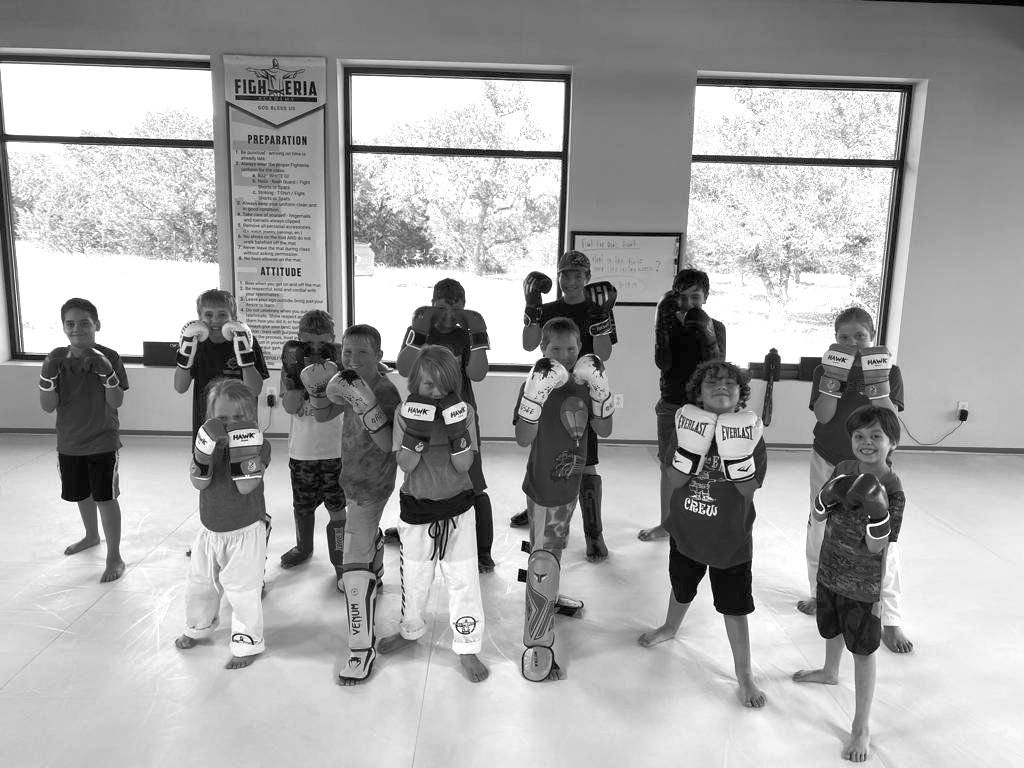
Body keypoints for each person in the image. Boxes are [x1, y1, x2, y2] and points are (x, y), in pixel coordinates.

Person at [638, 360, 767, 708]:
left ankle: (745, 676)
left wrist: (735, 454)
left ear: (741, 394)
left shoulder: (750, 432)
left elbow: (749, 489)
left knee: (734, 608)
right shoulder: (685, 428)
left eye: (730, 383)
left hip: (731, 540)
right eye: (712, 382)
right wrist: (691, 448)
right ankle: (669, 627)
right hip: (687, 532)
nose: (721, 386)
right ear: (697, 392)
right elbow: (676, 480)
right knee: (681, 588)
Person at [793, 405, 905, 762]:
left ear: (893, 445)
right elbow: (818, 514)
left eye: (876, 437)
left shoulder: (893, 487)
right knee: (830, 628)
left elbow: (878, 546)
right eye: (859, 436)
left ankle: (861, 725)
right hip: (831, 570)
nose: (866, 442)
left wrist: (877, 509)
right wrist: (825, 498)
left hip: (864, 584)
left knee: (862, 651)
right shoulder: (842, 469)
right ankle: (828, 671)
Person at [798, 307, 911, 654]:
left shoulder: (890, 370)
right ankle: (821, 593)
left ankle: (890, 618)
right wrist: (834, 377)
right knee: (820, 526)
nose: (853, 343)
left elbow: (890, 424)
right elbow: (824, 414)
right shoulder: (823, 368)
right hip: (830, 460)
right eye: (844, 337)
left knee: (880, 541)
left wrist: (877, 384)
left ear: (872, 337)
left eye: (860, 336)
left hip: (875, 466)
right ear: (835, 340)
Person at [377, 345, 488, 683]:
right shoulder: (403, 413)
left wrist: (456, 435)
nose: (437, 393)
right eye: (428, 385)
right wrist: (417, 433)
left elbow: (464, 464)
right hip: (418, 507)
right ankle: (410, 631)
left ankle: (467, 646)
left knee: (464, 580)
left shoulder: (464, 411)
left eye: (443, 385)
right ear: (415, 386)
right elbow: (405, 464)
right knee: (415, 579)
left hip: (458, 508)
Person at [514, 317, 614, 681]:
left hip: (570, 484)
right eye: (555, 349)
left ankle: (549, 599)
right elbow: (523, 439)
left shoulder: (586, 383)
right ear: (543, 350)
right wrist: (533, 399)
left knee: (553, 549)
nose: (565, 356)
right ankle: (537, 642)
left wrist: (602, 393)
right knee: (543, 554)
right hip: (544, 486)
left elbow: (604, 429)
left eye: (571, 349)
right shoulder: (535, 383)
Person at [513, 250, 617, 563]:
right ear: (559, 277)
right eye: (565, 274)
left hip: (583, 388)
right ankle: (538, 508)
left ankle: (593, 533)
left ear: (587, 278)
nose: (571, 280)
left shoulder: (598, 306)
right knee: (543, 449)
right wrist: (531, 307)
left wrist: (600, 318)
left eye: (577, 275)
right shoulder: (549, 308)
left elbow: (605, 353)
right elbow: (529, 344)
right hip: (547, 388)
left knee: (585, 460)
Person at [388, 278, 495, 573]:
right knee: (418, 471)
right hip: (422, 415)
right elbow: (405, 368)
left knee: (472, 479)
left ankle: (482, 550)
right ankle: (414, 527)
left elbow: (478, 372)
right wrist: (420, 331)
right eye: (442, 305)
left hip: (459, 415)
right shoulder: (421, 333)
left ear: (464, 308)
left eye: (456, 306)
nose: (448, 312)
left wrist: (477, 332)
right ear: (432, 304)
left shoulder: (465, 335)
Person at [317, 324, 400, 684]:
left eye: (362, 353)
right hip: (349, 476)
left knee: (352, 566)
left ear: (379, 357)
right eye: (346, 353)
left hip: (374, 482)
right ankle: (376, 564)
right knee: (362, 542)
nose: (351, 359)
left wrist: (367, 405)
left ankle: (360, 648)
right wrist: (320, 388)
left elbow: (388, 446)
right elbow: (322, 415)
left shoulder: (385, 391)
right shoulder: (343, 380)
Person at [175, 379, 271, 669]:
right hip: (209, 530)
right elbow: (197, 482)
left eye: (238, 417)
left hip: (244, 531)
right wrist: (204, 455)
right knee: (200, 584)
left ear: (251, 418)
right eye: (221, 418)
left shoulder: (260, 446)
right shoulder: (206, 444)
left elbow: (246, 487)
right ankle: (198, 627)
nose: (229, 424)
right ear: (209, 419)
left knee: (242, 589)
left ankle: (248, 642)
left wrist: (240, 449)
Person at [38, 298, 129, 583]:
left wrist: (107, 374)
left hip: (103, 439)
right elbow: (47, 406)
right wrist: (47, 377)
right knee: (82, 493)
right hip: (69, 441)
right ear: (63, 327)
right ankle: (91, 535)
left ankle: (115, 555)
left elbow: (117, 400)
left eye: (84, 322)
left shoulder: (110, 356)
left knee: (106, 496)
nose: (77, 328)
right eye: (70, 323)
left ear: (96, 325)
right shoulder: (56, 359)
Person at [639, 268, 726, 541]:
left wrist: (706, 336)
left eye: (696, 297)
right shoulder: (668, 323)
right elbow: (662, 363)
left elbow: (718, 372)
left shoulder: (717, 327)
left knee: (702, 467)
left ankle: (696, 519)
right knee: (669, 465)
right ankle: (666, 523)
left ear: (706, 297)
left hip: (704, 409)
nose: (689, 303)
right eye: (683, 297)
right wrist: (663, 327)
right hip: (671, 404)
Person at [277, 309, 347, 570]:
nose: (316, 348)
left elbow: (348, 400)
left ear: (332, 339)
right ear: (298, 339)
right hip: (303, 452)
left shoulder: (339, 366)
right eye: (309, 343)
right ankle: (304, 547)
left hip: (335, 450)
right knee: (303, 506)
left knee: (337, 507)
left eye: (323, 343)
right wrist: (296, 376)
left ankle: (340, 557)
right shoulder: (290, 366)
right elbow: (291, 407)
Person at [173, 289, 269, 439]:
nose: (215, 320)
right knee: (205, 462)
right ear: (199, 318)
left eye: (222, 314)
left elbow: (255, 390)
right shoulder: (195, 342)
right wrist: (185, 356)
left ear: (234, 318)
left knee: (245, 462)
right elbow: (180, 387)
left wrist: (245, 357)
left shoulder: (247, 341)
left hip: (243, 426)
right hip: (207, 427)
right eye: (209, 315)